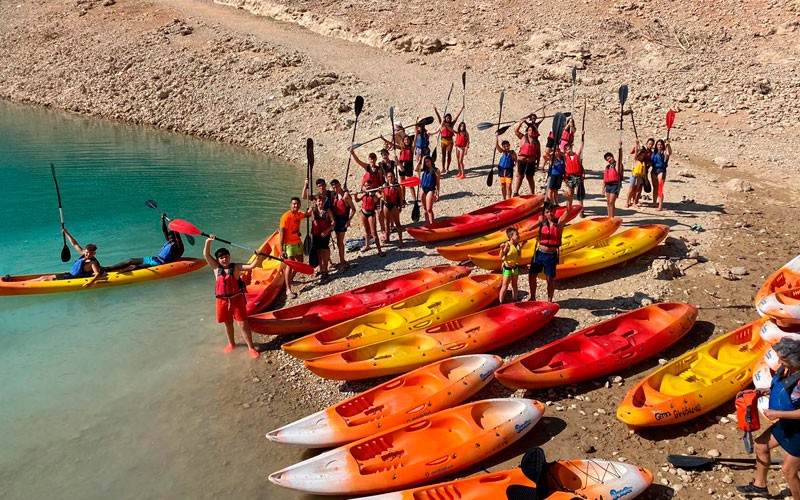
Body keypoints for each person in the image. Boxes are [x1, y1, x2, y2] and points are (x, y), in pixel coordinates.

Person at [737, 338, 800, 499]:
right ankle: (760, 486)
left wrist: (777, 414)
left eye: (782, 359)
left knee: (788, 471)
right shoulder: (786, 370)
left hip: (798, 433)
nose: (778, 361)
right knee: (761, 445)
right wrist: (766, 391)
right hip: (787, 425)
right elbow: (785, 392)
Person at [203, 235, 264, 358]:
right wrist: (208, 241)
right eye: (221, 258)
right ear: (218, 260)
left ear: (229, 257)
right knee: (228, 323)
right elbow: (206, 255)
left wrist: (258, 256)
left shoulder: (236, 267)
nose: (224, 259)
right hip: (222, 301)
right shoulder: (216, 268)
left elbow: (252, 266)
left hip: (236, 299)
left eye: (226, 256)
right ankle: (232, 344)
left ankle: (251, 348)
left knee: (242, 324)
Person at [529, 190, 573, 303]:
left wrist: (569, 200)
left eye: (552, 212)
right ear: (545, 213)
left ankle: (549, 300)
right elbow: (529, 229)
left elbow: (568, 212)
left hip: (551, 255)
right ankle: (533, 297)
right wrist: (538, 221)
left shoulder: (559, 223)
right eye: (548, 212)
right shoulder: (541, 223)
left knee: (550, 279)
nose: (550, 214)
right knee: (532, 275)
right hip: (539, 253)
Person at [106, 213, 184, 271]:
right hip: (154, 258)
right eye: (170, 238)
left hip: (158, 264)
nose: (170, 239)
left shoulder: (179, 247)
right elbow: (164, 231)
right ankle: (107, 269)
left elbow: (178, 238)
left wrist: (175, 227)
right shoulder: (169, 242)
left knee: (137, 267)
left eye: (172, 238)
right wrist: (162, 220)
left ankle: (125, 272)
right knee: (130, 260)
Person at [28, 228, 104, 287]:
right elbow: (74, 244)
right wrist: (66, 232)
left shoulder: (92, 263)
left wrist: (90, 283)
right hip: (69, 274)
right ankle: (23, 283)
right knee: (43, 277)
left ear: (94, 253)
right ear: (85, 251)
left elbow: (97, 274)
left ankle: (26, 285)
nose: (88, 254)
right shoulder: (83, 253)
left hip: (73, 278)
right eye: (87, 252)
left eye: (91, 253)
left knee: (44, 280)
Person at [279, 196, 309, 299]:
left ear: (300, 205)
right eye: (293, 204)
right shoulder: (285, 217)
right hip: (289, 245)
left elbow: (306, 215)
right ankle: (288, 289)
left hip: (298, 242)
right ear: (290, 205)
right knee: (290, 265)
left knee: (299, 263)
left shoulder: (299, 214)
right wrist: (281, 249)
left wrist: (310, 212)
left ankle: (290, 279)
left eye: (297, 204)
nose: (295, 205)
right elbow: (281, 234)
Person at [329, 179, 356, 270]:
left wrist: (348, 221)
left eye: (336, 186)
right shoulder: (335, 195)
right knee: (338, 242)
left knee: (340, 242)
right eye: (333, 188)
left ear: (340, 185)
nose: (335, 189)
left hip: (342, 220)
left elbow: (353, 209)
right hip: (336, 220)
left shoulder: (346, 196)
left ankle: (342, 264)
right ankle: (342, 260)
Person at [354, 178, 385, 256]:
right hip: (363, 213)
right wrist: (355, 195)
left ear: (372, 185)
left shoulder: (375, 193)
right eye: (366, 186)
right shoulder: (364, 193)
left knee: (374, 233)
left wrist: (382, 191)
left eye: (369, 186)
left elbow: (381, 197)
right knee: (366, 230)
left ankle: (379, 250)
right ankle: (367, 246)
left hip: (371, 214)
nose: (367, 187)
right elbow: (357, 200)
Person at [514, 116, 542, 196]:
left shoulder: (536, 142)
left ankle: (532, 193)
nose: (531, 132)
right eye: (529, 130)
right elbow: (516, 131)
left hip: (531, 161)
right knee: (520, 176)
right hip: (522, 160)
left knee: (530, 177)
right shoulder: (523, 137)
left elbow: (538, 153)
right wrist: (521, 123)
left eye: (532, 130)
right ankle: (516, 192)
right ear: (527, 131)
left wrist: (538, 163)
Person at [308, 193, 334, 280]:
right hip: (316, 234)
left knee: (324, 251)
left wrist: (327, 231)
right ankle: (320, 268)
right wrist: (309, 210)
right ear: (316, 202)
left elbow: (334, 222)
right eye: (319, 201)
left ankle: (325, 270)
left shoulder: (328, 211)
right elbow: (306, 215)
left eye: (322, 201)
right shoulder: (314, 210)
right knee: (318, 251)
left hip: (324, 234)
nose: (320, 203)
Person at [434, 106, 463, 174]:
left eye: (449, 118)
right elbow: (438, 117)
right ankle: (443, 168)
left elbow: (456, 118)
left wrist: (461, 110)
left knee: (449, 155)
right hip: (443, 141)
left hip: (450, 141)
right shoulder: (442, 124)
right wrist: (436, 111)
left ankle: (447, 168)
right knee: (443, 155)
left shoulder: (451, 124)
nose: (448, 119)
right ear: (445, 118)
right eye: (447, 118)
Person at [498, 227, 522, 303]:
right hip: (507, 268)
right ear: (511, 236)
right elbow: (501, 256)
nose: (518, 235)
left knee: (514, 284)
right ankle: (501, 302)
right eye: (517, 234)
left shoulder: (518, 245)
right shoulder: (507, 245)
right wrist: (502, 249)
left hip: (515, 267)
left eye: (518, 234)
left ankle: (515, 300)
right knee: (505, 285)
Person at [381, 171, 405, 246]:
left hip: (394, 205)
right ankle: (387, 238)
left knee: (397, 223)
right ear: (387, 178)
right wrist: (381, 208)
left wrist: (400, 206)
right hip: (386, 205)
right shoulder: (384, 185)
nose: (390, 178)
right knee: (386, 223)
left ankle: (401, 241)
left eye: (391, 176)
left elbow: (400, 198)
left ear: (394, 177)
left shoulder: (397, 186)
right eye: (389, 177)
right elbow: (383, 198)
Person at [651, 139, 672, 211]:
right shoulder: (654, 153)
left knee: (660, 189)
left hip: (661, 170)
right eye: (658, 144)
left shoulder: (664, 153)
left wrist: (668, 145)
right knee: (655, 187)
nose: (659, 146)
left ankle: (660, 206)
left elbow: (669, 153)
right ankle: (654, 202)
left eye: (661, 144)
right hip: (654, 170)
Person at [419, 155, 441, 224]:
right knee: (425, 209)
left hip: (431, 189)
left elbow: (437, 182)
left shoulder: (436, 170)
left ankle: (432, 224)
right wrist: (420, 161)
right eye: (426, 162)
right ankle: (427, 223)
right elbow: (416, 169)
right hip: (423, 188)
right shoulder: (425, 169)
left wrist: (437, 193)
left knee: (429, 209)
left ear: (431, 161)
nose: (427, 163)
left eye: (428, 161)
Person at [563, 140, 585, 211]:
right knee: (570, 193)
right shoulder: (566, 157)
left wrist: (582, 140)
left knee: (579, 193)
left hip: (578, 176)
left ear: (571, 148)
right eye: (566, 150)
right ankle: (569, 207)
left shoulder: (577, 155)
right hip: (570, 177)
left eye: (569, 149)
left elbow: (581, 148)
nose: (568, 151)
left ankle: (581, 208)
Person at [495, 134, 516, 200]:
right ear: (503, 147)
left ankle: (509, 199)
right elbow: (496, 145)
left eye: (507, 146)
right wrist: (496, 137)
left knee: (509, 185)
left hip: (509, 171)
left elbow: (516, 161)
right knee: (503, 185)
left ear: (509, 145)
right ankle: (504, 199)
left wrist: (517, 170)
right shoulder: (502, 152)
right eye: (505, 146)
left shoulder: (512, 153)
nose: (507, 147)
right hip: (501, 170)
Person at [396, 135, 417, 204]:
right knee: (402, 184)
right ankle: (403, 200)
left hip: (408, 166)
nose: (406, 141)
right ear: (403, 141)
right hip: (401, 165)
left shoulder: (411, 148)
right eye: (405, 140)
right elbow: (393, 145)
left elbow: (415, 139)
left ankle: (415, 200)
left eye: (408, 140)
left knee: (410, 183)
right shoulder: (401, 148)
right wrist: (384, 139)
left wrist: (416, 132)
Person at [601, 151, 623, 217]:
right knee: (608, 202)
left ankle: (612, 217)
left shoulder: (617, 165)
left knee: (611, 202)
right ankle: (609, 217)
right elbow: (605, 179)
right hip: (608, 185)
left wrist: (620, 148)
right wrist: (603, 189)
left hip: (615, 185)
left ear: (612, 157)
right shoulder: (607, 167)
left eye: (610, 158)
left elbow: (620, 158)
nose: (609, 160)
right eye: (607, 159)